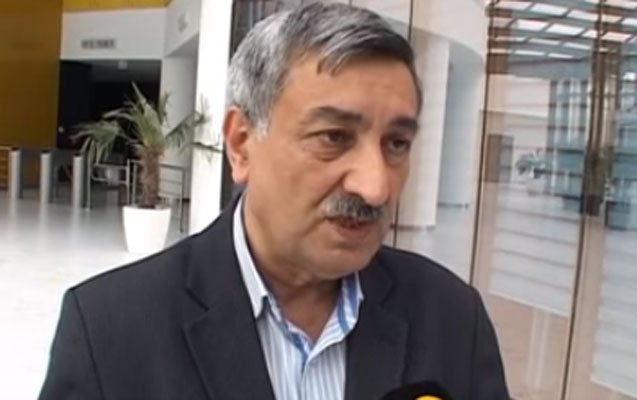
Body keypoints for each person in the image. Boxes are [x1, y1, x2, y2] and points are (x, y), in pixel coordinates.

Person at [39, 3, 509, 400]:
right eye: (333, 137)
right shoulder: (108, 331)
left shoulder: (452, 319)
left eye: (397, 144)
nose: (376, 187)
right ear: (241, 144)